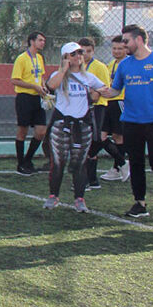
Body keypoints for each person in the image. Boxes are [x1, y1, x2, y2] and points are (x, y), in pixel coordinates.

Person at [99, 24, 153, 219]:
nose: (123, 45)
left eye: (126, 41)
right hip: (131, 121)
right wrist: (104, 92)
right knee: (136, 162)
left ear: (138, 40)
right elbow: (116, 89)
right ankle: (140, 203)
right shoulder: (124, 65)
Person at [42, 42, 103, 213]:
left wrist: (96, 94)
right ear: (66, 57)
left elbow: (103, 89)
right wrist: (63, 69)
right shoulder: (58, 74)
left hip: (82, 125)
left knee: (80, 162)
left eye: (80, 53)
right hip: (61, 124)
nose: (78, 56)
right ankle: (53, 196)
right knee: (58, 162)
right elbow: (51, 87)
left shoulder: (89, 77)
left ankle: (79, 198)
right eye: (74, 53)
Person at [11, 31, 48, 175]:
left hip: (37, 98)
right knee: (23, 131)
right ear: (32, 41)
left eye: (43, 40)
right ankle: (21, 164)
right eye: (40, 40)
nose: (42, 43)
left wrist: (43, 87)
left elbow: (41, 76)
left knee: (41, 131)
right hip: (25, 97)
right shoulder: (22, 59)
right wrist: (34, 87)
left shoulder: (39, 58)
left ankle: (27, 160)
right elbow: (14, 80)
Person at [78, 37, 110, 190]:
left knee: (95, 140)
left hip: (97, 107)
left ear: (93, 51)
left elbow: (103, 90)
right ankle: (91, 180)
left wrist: (93, 92)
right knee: (87, 141)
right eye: (82, 52)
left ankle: (86, 178)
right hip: (82, 108)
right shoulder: (76, 67)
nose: (85, 55)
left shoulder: (100, 67)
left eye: (88, 52)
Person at [98, 35, 130, 182]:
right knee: (102, 136)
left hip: (120, 101)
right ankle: (121, 164)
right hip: (109, 102)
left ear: (126, 49)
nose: (116, 51)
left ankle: (117, 168)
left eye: (120, 48)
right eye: (114, 48)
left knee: (118, 136)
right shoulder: (111, 64)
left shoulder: (129, 64)